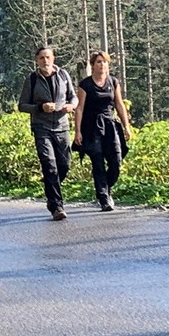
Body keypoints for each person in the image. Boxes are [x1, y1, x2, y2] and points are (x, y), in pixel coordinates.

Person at [18, 46, 77, 221]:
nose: (45, 61)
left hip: (62, 126)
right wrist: (40, 108)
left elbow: (74, 97)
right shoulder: (31, 80)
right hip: (41, 127)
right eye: (41, 58)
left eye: (48, 57)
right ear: (37, 61)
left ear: (53, 59)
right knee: (49, 164)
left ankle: (51, 197)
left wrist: (71, 106)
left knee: (64, 165)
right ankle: (57, 206)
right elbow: (22, 105)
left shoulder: (64, 75)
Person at [74, 51, 133, 211]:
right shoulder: (85, 85)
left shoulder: (113, 82)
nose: (102, 65)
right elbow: (79, 109)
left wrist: (126, 125)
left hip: (110, 125)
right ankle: (103, 198)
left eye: (104, 62)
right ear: (92, 65)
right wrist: (77, 131)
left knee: (116, 161)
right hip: (92, 128)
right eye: (98, 62)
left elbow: (119, 104)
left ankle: (106, 188)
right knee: (98, 162)